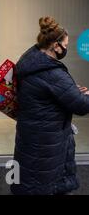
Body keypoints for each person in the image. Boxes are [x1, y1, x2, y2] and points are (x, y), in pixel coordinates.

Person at [11, 16, 89, 195]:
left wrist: (70, 90)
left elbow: (46, 92)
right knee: (42, 188)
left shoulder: (30, 61)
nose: (66, 49)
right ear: (56, 45)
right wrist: (83, 95)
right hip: (47, 150)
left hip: (31, 141)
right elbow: (81, 105)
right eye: (65, 45)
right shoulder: (52, 73)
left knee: (28, 186)